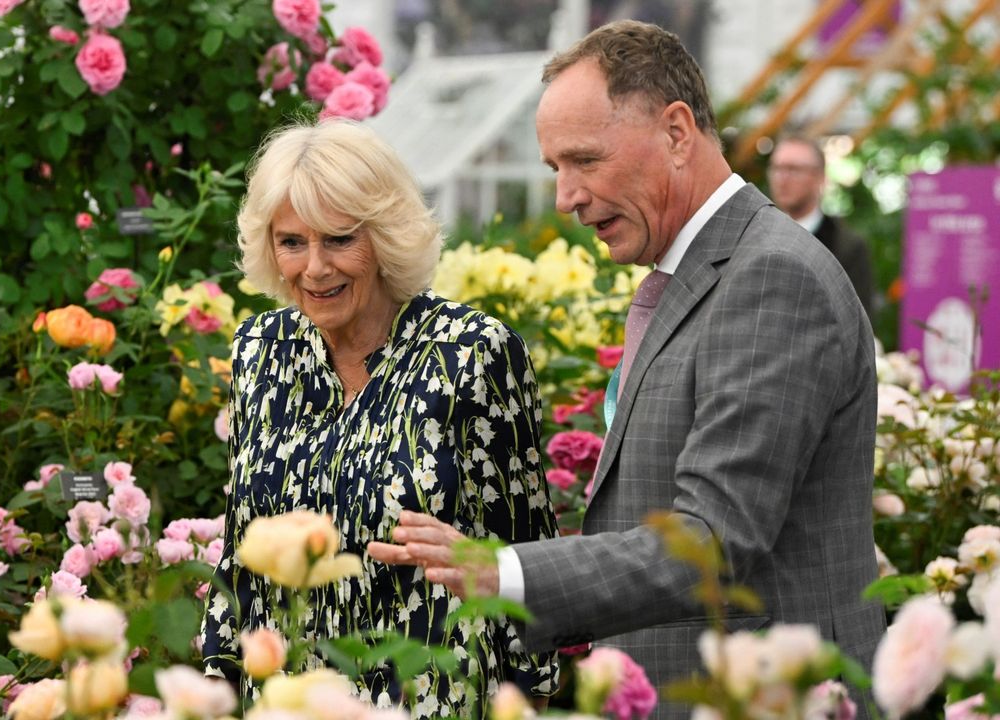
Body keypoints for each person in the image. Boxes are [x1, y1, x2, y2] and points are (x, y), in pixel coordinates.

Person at [369, 20, 886, 717]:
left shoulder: (771, 279)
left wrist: (502, 571)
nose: (566, 197)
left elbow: (711, 542)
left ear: (677, 132)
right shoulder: (706, 272)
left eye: (585, 160)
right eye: (556, 169)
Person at [200, 120, 560, 718]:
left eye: (339, 240)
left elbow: (525, 556)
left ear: (386, 235)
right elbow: (242, 550)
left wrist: (527, 700)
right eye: (291, 242)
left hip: (428, 698)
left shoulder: (472, 355)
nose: (314, 268)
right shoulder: (259, 349)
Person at [768, 135, 876, 322]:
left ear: (820, 178)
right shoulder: (758, 236)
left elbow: (858, 321)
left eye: (794, 170)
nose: (782, 179)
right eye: (777, 168)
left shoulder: (846, 246)